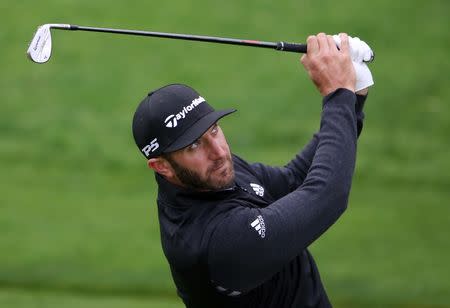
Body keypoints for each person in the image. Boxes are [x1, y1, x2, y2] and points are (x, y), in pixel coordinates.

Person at [132, 33, 374, 308]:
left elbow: (295, 180)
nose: (220, 151)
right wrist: (337, 95)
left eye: (214, 130)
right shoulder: (215, 241)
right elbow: (326, 196)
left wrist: (353, 99)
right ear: (161, 166)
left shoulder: (212, 174)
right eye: (194, 145)